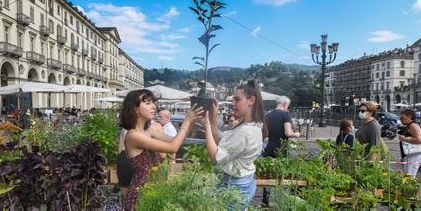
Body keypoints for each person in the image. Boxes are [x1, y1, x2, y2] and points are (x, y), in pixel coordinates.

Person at [119, 89, 203, 211]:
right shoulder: (133, 135)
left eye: (153, 103)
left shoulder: (150, 131)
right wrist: (187, 121)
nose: (154, 107)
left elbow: (176, 140)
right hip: (141, 193)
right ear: (135, 109)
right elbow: (172, 147)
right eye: (148, 103)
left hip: (152, 190)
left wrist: (191, 122)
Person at [201, 80, 265, 210]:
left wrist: (207, 125)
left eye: (237, 100)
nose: (232, 104)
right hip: (243, 182)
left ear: (251, 100)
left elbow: (215, 158)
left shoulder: (245, 131)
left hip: (235, 185)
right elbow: (221, 140)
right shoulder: (251, 125)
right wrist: (212, 118)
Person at [261, 95, 300, 206]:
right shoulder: (285, 115)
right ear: (284, 104)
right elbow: (288, 133)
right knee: (280, 174)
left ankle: (265, 200)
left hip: (269, 147)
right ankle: (278, 199)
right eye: (288, 105)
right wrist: (296, 134)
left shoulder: (268, 115)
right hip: (281, 148)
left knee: (267, 174)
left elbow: (266, 133)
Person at [398, 109, 421, 177]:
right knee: (408, 176)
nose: (400, 119)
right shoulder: (410, 125)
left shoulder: (413, 125)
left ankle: (411, 188)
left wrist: (404, 138)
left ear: (409, 117)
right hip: (411, 154)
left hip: (414, 155)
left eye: (402, 117)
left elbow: (419, 140)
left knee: (409, 177)